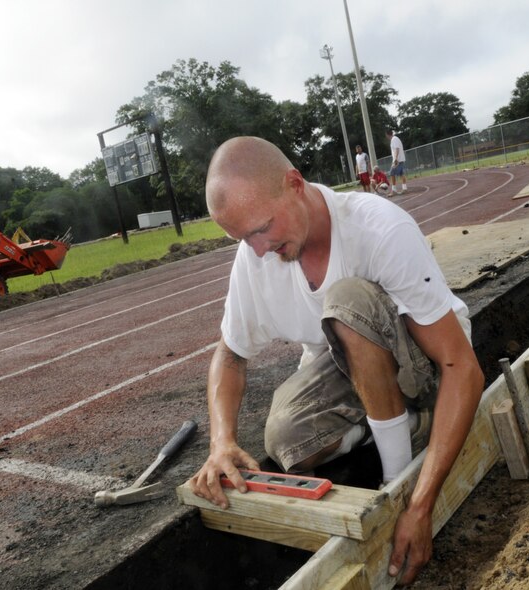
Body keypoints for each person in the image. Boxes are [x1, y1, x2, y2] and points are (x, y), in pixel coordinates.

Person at [190, 136, 483, 586]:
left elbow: (460, 366)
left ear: (294, 183)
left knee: (346, 300)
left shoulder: (378, 228)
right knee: (284, 439)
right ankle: (399, 425)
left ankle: (394, 474)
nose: (259, 249)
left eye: (262, 228)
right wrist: (221, 442)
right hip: (351, 368)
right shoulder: (256, 256)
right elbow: (229, 354)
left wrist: (418, 504)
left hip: (426, 367)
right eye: (243, 238)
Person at [387, 129, 407, 194]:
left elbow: (397, 149)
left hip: (397, 160)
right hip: (400, 159)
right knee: (401, 174)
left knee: (391, 173)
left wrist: (395, 159)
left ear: (387, 135)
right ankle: (404, 188)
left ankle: (394, 190)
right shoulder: (396, 139)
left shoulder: (394, 139)